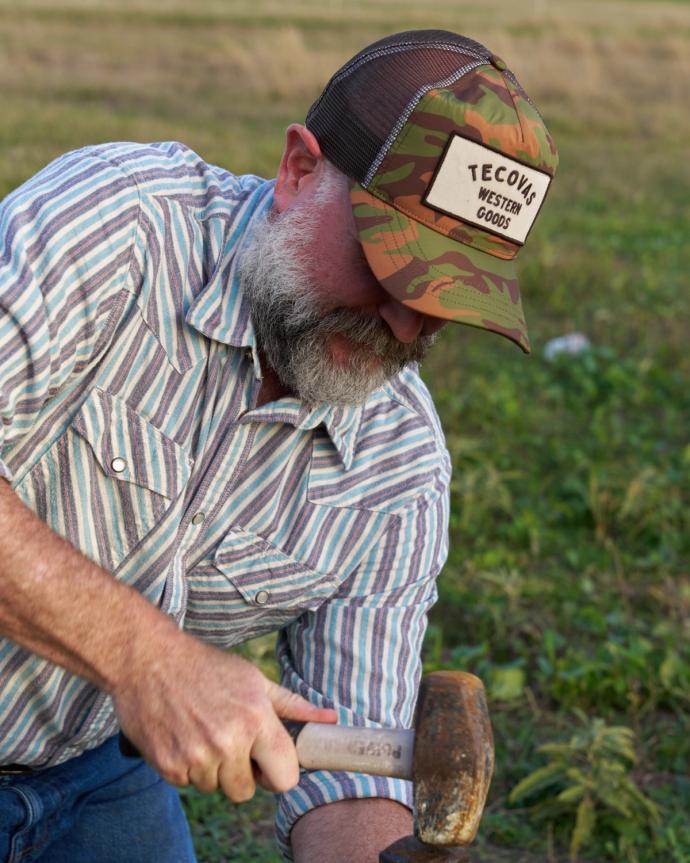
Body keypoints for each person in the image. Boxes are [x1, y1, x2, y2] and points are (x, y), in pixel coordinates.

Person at [0, 29, 557, 863]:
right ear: (299, 172)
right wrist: (145, 659)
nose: (406, 325)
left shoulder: (397, 471)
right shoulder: (119, 229)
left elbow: (354, 770)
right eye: (391, 265)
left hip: (88, 766)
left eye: (446, 300)